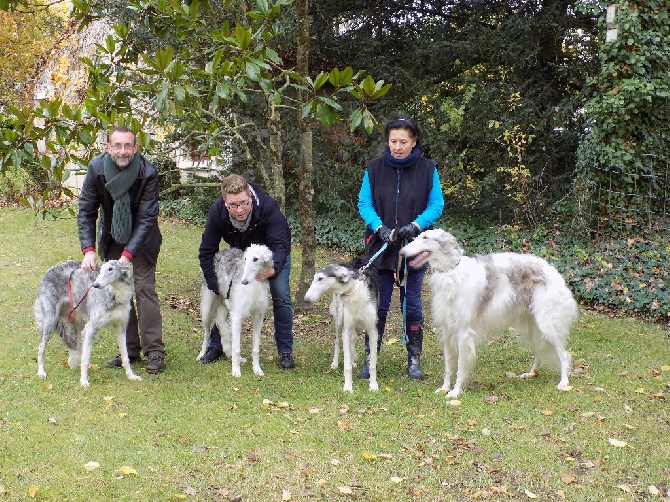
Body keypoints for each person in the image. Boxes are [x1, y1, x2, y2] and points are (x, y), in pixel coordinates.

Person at [357, 116, 444, 380]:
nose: (397, 146)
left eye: (403, 142)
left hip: (414, 247)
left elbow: (436, 204)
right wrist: (378, 227)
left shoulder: (428, 169)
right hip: (381, 246)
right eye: (393, 141)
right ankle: (370, 358)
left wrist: (417, 225)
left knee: (413, 305)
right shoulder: (374, 168)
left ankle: (414, 359)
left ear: (414, 141)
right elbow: (364, 203)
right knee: (378, 306)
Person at [78, 125, 165, 374]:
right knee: (118, 292)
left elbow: (148, 218)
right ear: (108, 147)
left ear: (136, 148)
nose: (123, 151)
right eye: (117, 145)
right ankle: (130, 349)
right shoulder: (96, 169)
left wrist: (128, 256)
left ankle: (155, 352)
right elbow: (86, 211)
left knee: (144, 290)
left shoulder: (147, 173)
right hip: (112, 237)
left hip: (143, 239)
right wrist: (88, 249)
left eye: (128, 145)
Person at [198, 174, 295, 369]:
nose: (240, 209)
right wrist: (215, 284)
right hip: (243, 257)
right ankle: (216, 346)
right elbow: (206, 251)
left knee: (281, 295)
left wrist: (273, 269)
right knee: (228, 297)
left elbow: (281, 244)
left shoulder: (268, 207)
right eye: (233, 205)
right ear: (225, 202)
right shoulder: (217, 212)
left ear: (250, 195)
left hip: (272, 256)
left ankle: (285, 351)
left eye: (244, 203)